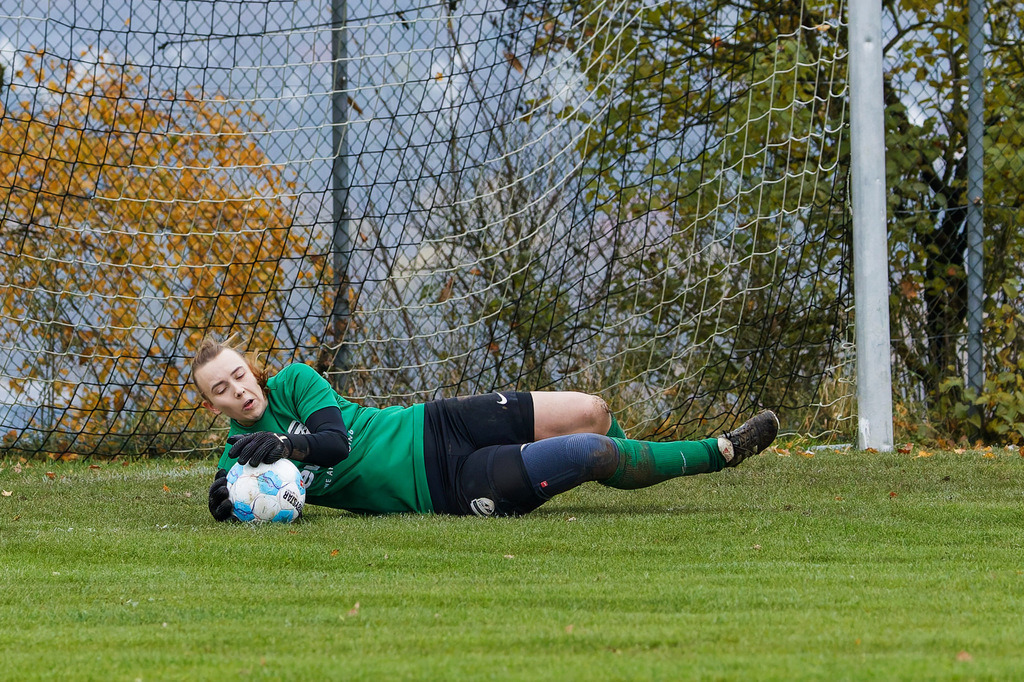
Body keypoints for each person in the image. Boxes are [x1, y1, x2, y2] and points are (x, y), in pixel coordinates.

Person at [192, 336, 779, 520]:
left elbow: (333, 442)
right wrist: (227, 504)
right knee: (593, 453)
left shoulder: (294, 380)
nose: (239, 391)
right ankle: (719, 452)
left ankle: (638, 461)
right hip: (446, 486)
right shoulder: (241, 455)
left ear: (252, 368)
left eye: (239, 375)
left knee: (594, 411)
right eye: (222, 390)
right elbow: (224, 496)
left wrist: (285, 443)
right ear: (214, 407)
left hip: (439, 421)